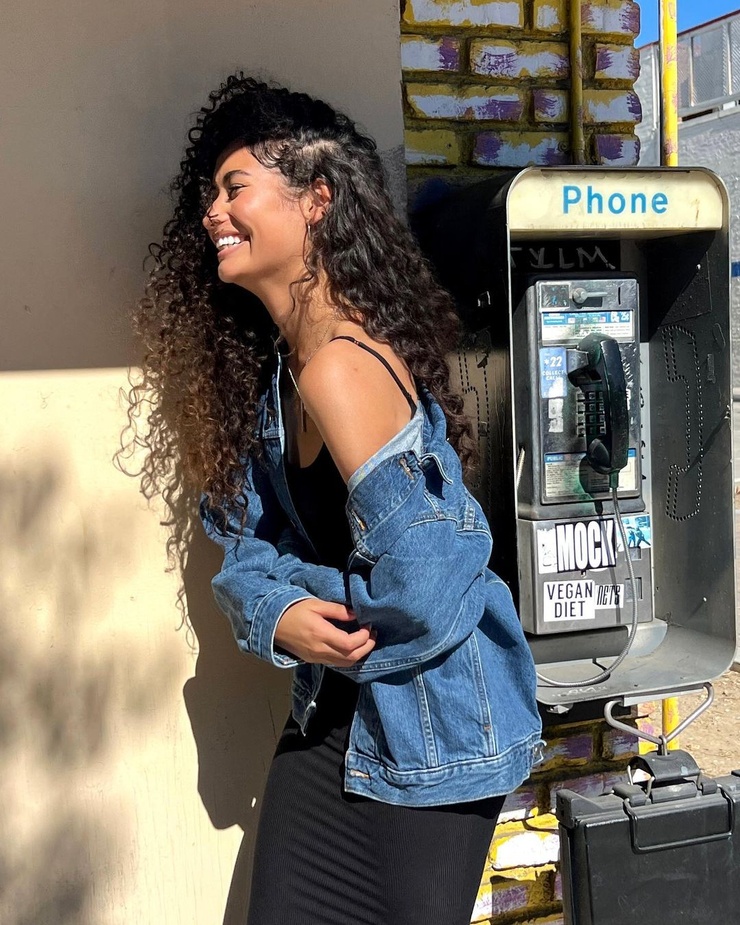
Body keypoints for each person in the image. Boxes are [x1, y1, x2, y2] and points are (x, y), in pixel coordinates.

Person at [129, 73, 542, 925]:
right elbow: (243, 545)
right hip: (335, 716)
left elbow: (426, 589)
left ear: (316, 199)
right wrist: (275, 611)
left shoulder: (339, 368)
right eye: (210, 195)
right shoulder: (279, 377)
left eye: (235, 187)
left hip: (433, 737)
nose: (213, 212)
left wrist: (298, 597)